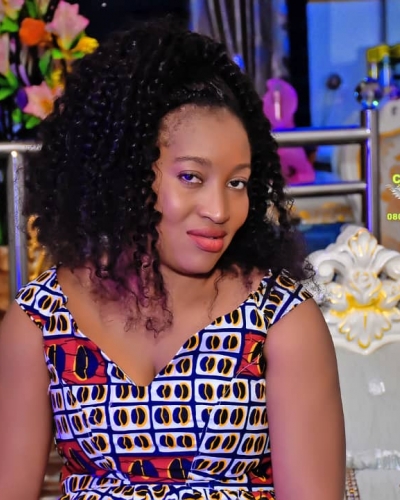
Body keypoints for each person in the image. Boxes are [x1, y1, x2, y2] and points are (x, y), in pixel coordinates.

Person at [0, 19, 345, 500]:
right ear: (125, 175)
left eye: (237, 182)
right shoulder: (40, 319)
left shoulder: (282, 319)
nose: (219, 210)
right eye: (191, 177)